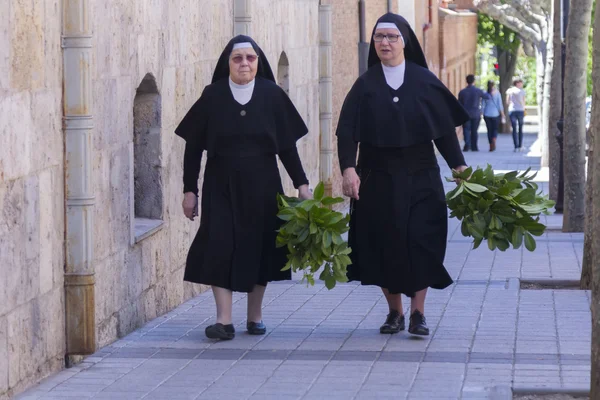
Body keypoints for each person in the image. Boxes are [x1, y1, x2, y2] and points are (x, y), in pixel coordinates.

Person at [336, 13, 470, 336]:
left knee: (422, 241)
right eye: (379, 37)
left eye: (391, 37)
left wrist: (459, 166)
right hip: (377, 177)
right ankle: (394, 311)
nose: (384, 43)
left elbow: (443, 130)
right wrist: (348, 169)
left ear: (405, 41)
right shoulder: (365, 84)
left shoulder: (424, 81)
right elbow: (346, 132)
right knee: (383, 243)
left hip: (422, 176)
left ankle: (418, 314)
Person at [175, 35, 312, 340]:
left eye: (250, 58)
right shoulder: (212, 96)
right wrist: (189, 190)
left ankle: (255, 316)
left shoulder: (272, 95)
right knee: (218, 245)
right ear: (228, 63)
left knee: (261, 246)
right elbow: (193, 147)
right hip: (219, 183)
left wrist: (301, 184)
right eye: (238, 58)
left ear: (258, 63)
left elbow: (287, 147)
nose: (244, 64)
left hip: (263, 183)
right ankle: (223, 321)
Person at [458, 74, 490, 152]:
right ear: (474, 81)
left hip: (465, 113)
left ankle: (467, 145)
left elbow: (459, 104)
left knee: (466, 129)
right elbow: (487, 97)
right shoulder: (478, 91)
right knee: (474, 130)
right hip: (475, 113)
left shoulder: (462, 92)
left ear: (466, 81)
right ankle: (474, 147)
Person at [482, 80, 505, 152]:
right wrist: (502, 114)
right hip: (495, 114)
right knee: (495, 129)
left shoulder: (485, 94)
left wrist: (482, 113)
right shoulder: (497, 93)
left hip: (487, 114)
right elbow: (500, 105)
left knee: (489, 130)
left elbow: (483, 105)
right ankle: (494, 139)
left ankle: (490, 145)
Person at [506, 79, 526, 152]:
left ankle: (516, 146)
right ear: (517, 83)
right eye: (521, 83)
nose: (522, 84)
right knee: (520, 128)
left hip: (512, 110)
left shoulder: (509, 91)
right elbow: (524, 102)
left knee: (514, 129)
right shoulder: (522, 91)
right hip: (520, 110)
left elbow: (507, 102)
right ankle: (520, 145)